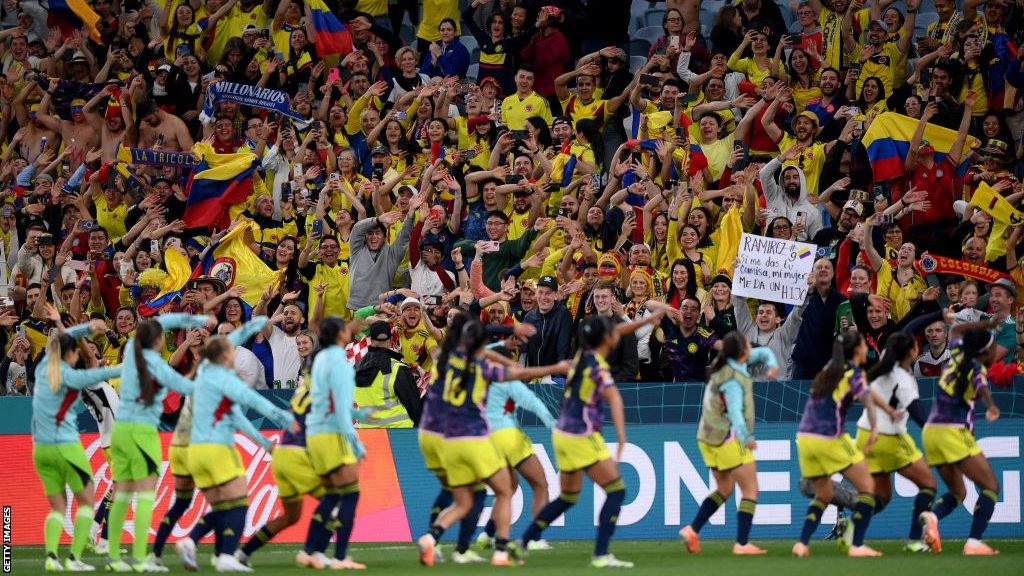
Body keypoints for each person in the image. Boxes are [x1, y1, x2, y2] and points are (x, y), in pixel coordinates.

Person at [416, 313, 568, 567]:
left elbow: (481, 347)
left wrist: (501, 343)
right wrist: (557, 368)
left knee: (464, 500)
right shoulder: (484, 370)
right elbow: (521, 376)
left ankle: (432, 537)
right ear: (480, 347)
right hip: (475, 438)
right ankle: (500, 551)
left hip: (448, 440)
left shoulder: (448, 360)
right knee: (505, 490)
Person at [517, 313, 663, 568]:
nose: (617, 334)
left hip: (563, 434)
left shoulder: (582, 356)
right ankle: (601, 555)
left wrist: (650, 320)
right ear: (607, 338)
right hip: (581, 435)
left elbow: (621, 329)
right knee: (617, 491)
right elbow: (615, 398)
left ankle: (524, 541)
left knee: (568, 497)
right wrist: (621, 437)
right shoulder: (597, 366)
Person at [176, 319, 294, 572]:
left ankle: (199, 545)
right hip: (217, 448)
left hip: (194, 451)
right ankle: (227, 554)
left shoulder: (202, 376)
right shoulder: (225, 381)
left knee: (222, 505)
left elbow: (236, 417)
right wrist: (285, 423)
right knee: (239, 502)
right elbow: (256, 404)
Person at [155, 317, 272, 568]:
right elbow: (242, 413)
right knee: (234, 501)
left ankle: (160, 555)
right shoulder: (220, 379)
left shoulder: (200, 374)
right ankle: (220, 553)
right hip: (208, 446)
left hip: (181, 446)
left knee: (195, 503)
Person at [107, 313, 212, 573]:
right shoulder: (155, 362)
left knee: (122, 492)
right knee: (145, 495)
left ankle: (113, 557)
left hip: (120, 430)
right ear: (156, 340)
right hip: (142, 432)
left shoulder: (131, 351)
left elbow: (160, 325)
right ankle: (142, 559)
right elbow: (183, 386)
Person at [32, 316, 122, 572]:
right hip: (71, 444)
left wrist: (66, 326)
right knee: (91, 499)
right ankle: (82, 551)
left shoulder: (44, 372)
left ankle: (52, 556)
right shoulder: (84, 379)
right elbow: (103, 368)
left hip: (41, 447)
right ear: (74, 355)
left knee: (58, 506)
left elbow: (61, 348)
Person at [680, 331, 778, 556]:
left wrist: (771, 365)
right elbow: (734, 412)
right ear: (743, 351)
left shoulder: (726, 366)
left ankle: (692, 530)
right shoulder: (733, 379)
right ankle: (742, 544)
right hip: (726, 439)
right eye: (747, 345)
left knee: (724, 489)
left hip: (706, 437)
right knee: (751, 489)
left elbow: (763, 352)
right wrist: (747, 438)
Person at [919, 316, 1006, 556]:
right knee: (990, 486)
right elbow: (982, 387)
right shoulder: (976, 368)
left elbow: (956, 329)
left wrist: (985, 325)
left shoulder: (957, 351)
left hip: (930, 432)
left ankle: (932, 517)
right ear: (984, 351)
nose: (995, 350)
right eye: (993, 346)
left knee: (959, 492)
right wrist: (991, 406)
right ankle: (974, 542)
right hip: (952, 430)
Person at [793, 331, 883, 558]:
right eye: (864, 345)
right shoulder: (853, 372)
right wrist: (874, 429)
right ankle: (858, 545)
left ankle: (802, 544)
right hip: (829, 437)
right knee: (868, 489)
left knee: (823, 494)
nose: (866, 349)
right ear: (856, 350)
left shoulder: (828, 369)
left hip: (804, 437)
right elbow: (868, 402)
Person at [854, 332, 937, 553]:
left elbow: (907, 329)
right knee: (928, 485)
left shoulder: (884, 361)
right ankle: (914, 541)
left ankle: (852, 528)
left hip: (864, 434)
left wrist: (934, 310)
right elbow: (920, 416)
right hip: (888, 437)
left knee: (881, 497)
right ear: (912, 352)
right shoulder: (903, 379)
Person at [475, 343, 558, 556]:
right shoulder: (507, 378)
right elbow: (533, 401)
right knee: (540, 484)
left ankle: (487, 534)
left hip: (486, 439)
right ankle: (535, 538)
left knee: (508, 488)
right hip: (508, 436)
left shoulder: (477, 376)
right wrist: (552, 424)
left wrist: (498, 345)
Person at [300, 316, 368, 569]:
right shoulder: (339, 361)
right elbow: (340, 408)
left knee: (331, 496)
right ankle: (340, 557)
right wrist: (355, 442)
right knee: (350, 494)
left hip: (315, 433)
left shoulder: (319, 358)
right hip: (333, 433)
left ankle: (312, 551)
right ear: (340, 334)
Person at [353, 320, 421, 427]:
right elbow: (414, 406)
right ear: (390, 341)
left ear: (370, 340)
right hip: (398, 432)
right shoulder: (397, 367)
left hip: (368, 433)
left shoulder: (356, 368)